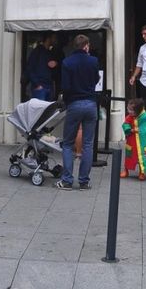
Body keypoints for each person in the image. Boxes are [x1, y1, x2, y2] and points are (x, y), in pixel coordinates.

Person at [56, 34, 100, 190]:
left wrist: (67, 101)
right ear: (86, 45)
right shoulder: (93, 61)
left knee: (68, 144)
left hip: (74, 104)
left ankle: (67, 180)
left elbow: (66, 86)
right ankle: (84, 181)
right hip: (90, 104)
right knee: (88, 144)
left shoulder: (67, 62)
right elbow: (96, 80)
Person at [120, 98, 146, 180]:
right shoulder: (129, 117)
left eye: (131, 110)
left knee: (142, 157)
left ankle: (142, 172)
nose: (129, 111)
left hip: (143, 142)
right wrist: (130, 130)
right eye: (128, 109)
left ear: (138, 111)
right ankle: (126, 170)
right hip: (132, 141)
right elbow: (126, 124)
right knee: (129, 156)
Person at [25, 33, 57, 101]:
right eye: (54, 38)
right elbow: (30, 69)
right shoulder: (37, 51)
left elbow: (53, 70)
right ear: (48, 39)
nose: (55, 40)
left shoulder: (50, 53)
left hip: (49, 87)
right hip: (40, 87)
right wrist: (37, 84)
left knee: (49, 110)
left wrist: (55, 64)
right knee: (39, 110)